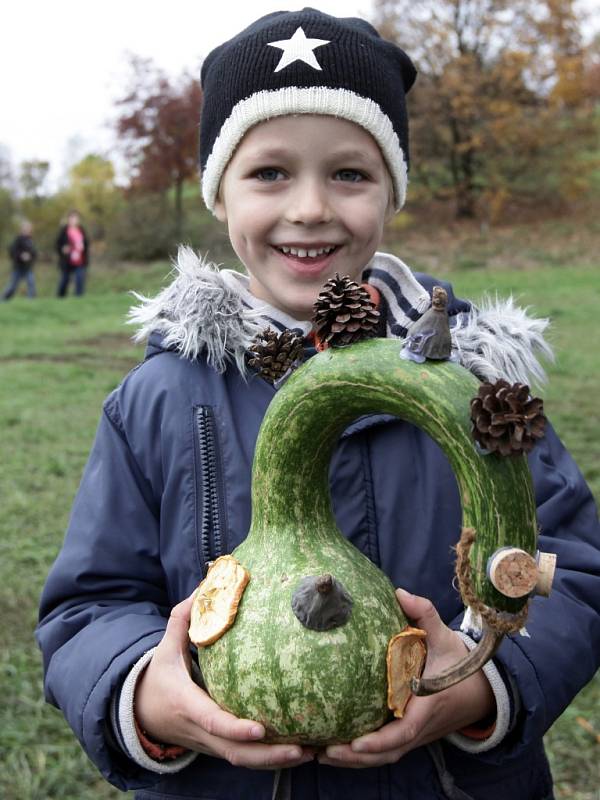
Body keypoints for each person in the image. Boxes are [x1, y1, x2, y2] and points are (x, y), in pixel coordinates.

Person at [36, 9, 600, 800]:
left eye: (349, 174)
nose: (310, 208)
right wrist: (145, 694)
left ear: (392, 194)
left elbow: (569, 569)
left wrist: (479, 685)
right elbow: (91, 604)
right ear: (219, 198)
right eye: (269, 173)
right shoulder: (159, 398)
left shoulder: (476, 387)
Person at [55, 210, 89, 297]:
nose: (74, 220)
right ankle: (60, 298)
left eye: (76, 218)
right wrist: (63, 249)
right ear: (69, 219)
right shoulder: (64, 230)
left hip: (80, 259)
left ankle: (79, 298)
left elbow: (86, 244)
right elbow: (58, 244)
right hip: (67, 260)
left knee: (79, 279)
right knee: (65, 280)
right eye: (72, 218)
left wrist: (84, 249)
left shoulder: (81, 230)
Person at [2, 220, 37, 299]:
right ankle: (3, 299)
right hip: (18, 267)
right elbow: (12, 251)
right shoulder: (18, 239)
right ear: (22, 229)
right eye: (25, 228)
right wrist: (21, 256)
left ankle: (31, 301)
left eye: (29, 228)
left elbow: (34, 253)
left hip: (28, 267)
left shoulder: (30, 240)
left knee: (31, 283)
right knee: (12, 286)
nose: (27, 229)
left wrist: (30, 256)